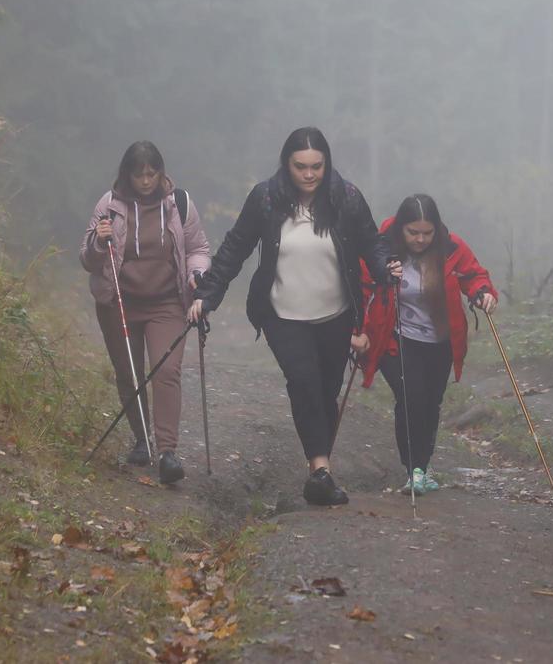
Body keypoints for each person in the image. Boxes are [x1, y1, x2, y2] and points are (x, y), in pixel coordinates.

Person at [188, 127, 398, 506]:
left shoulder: (346, 198)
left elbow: (371, 243)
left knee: (325, 391)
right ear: (287, 165)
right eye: (301, 166)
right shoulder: (267, 198)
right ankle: (320, 469)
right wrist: (208, 294)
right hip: (282, 314)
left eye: (316, 166)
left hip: (336, 313)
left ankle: (320, 471)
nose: (309, 174)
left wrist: (386, 268)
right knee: (303, 382)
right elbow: (236, 246)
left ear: (326, 164)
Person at [81, 141, 211, 484]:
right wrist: (98, 239)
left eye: (152, 173)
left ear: (161, 173)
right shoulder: (109, 205)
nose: (145, 181)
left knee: (166, 369)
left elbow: (197, 247)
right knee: (129, 373)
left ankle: (168, 451)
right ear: (127, 174)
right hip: (119, 301)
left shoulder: (179, 204)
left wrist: (197, 275)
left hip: (167, 302)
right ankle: (142, 440)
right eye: (139, 175)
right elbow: (87, 259)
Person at [357, 194, 497, 495]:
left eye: (427, 233)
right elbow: (361, 285)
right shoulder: (382, 246)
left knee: (430, 404)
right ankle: (414, 470)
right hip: (395, 338)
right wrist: (358, 330)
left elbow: (474, 275)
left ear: (437, 230)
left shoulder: (451, 247)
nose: (420, 239)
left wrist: (482, 293)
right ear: (401, 229)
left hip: (439, 343)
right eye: (413, 233)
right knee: (410, 397)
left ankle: (423, 466)